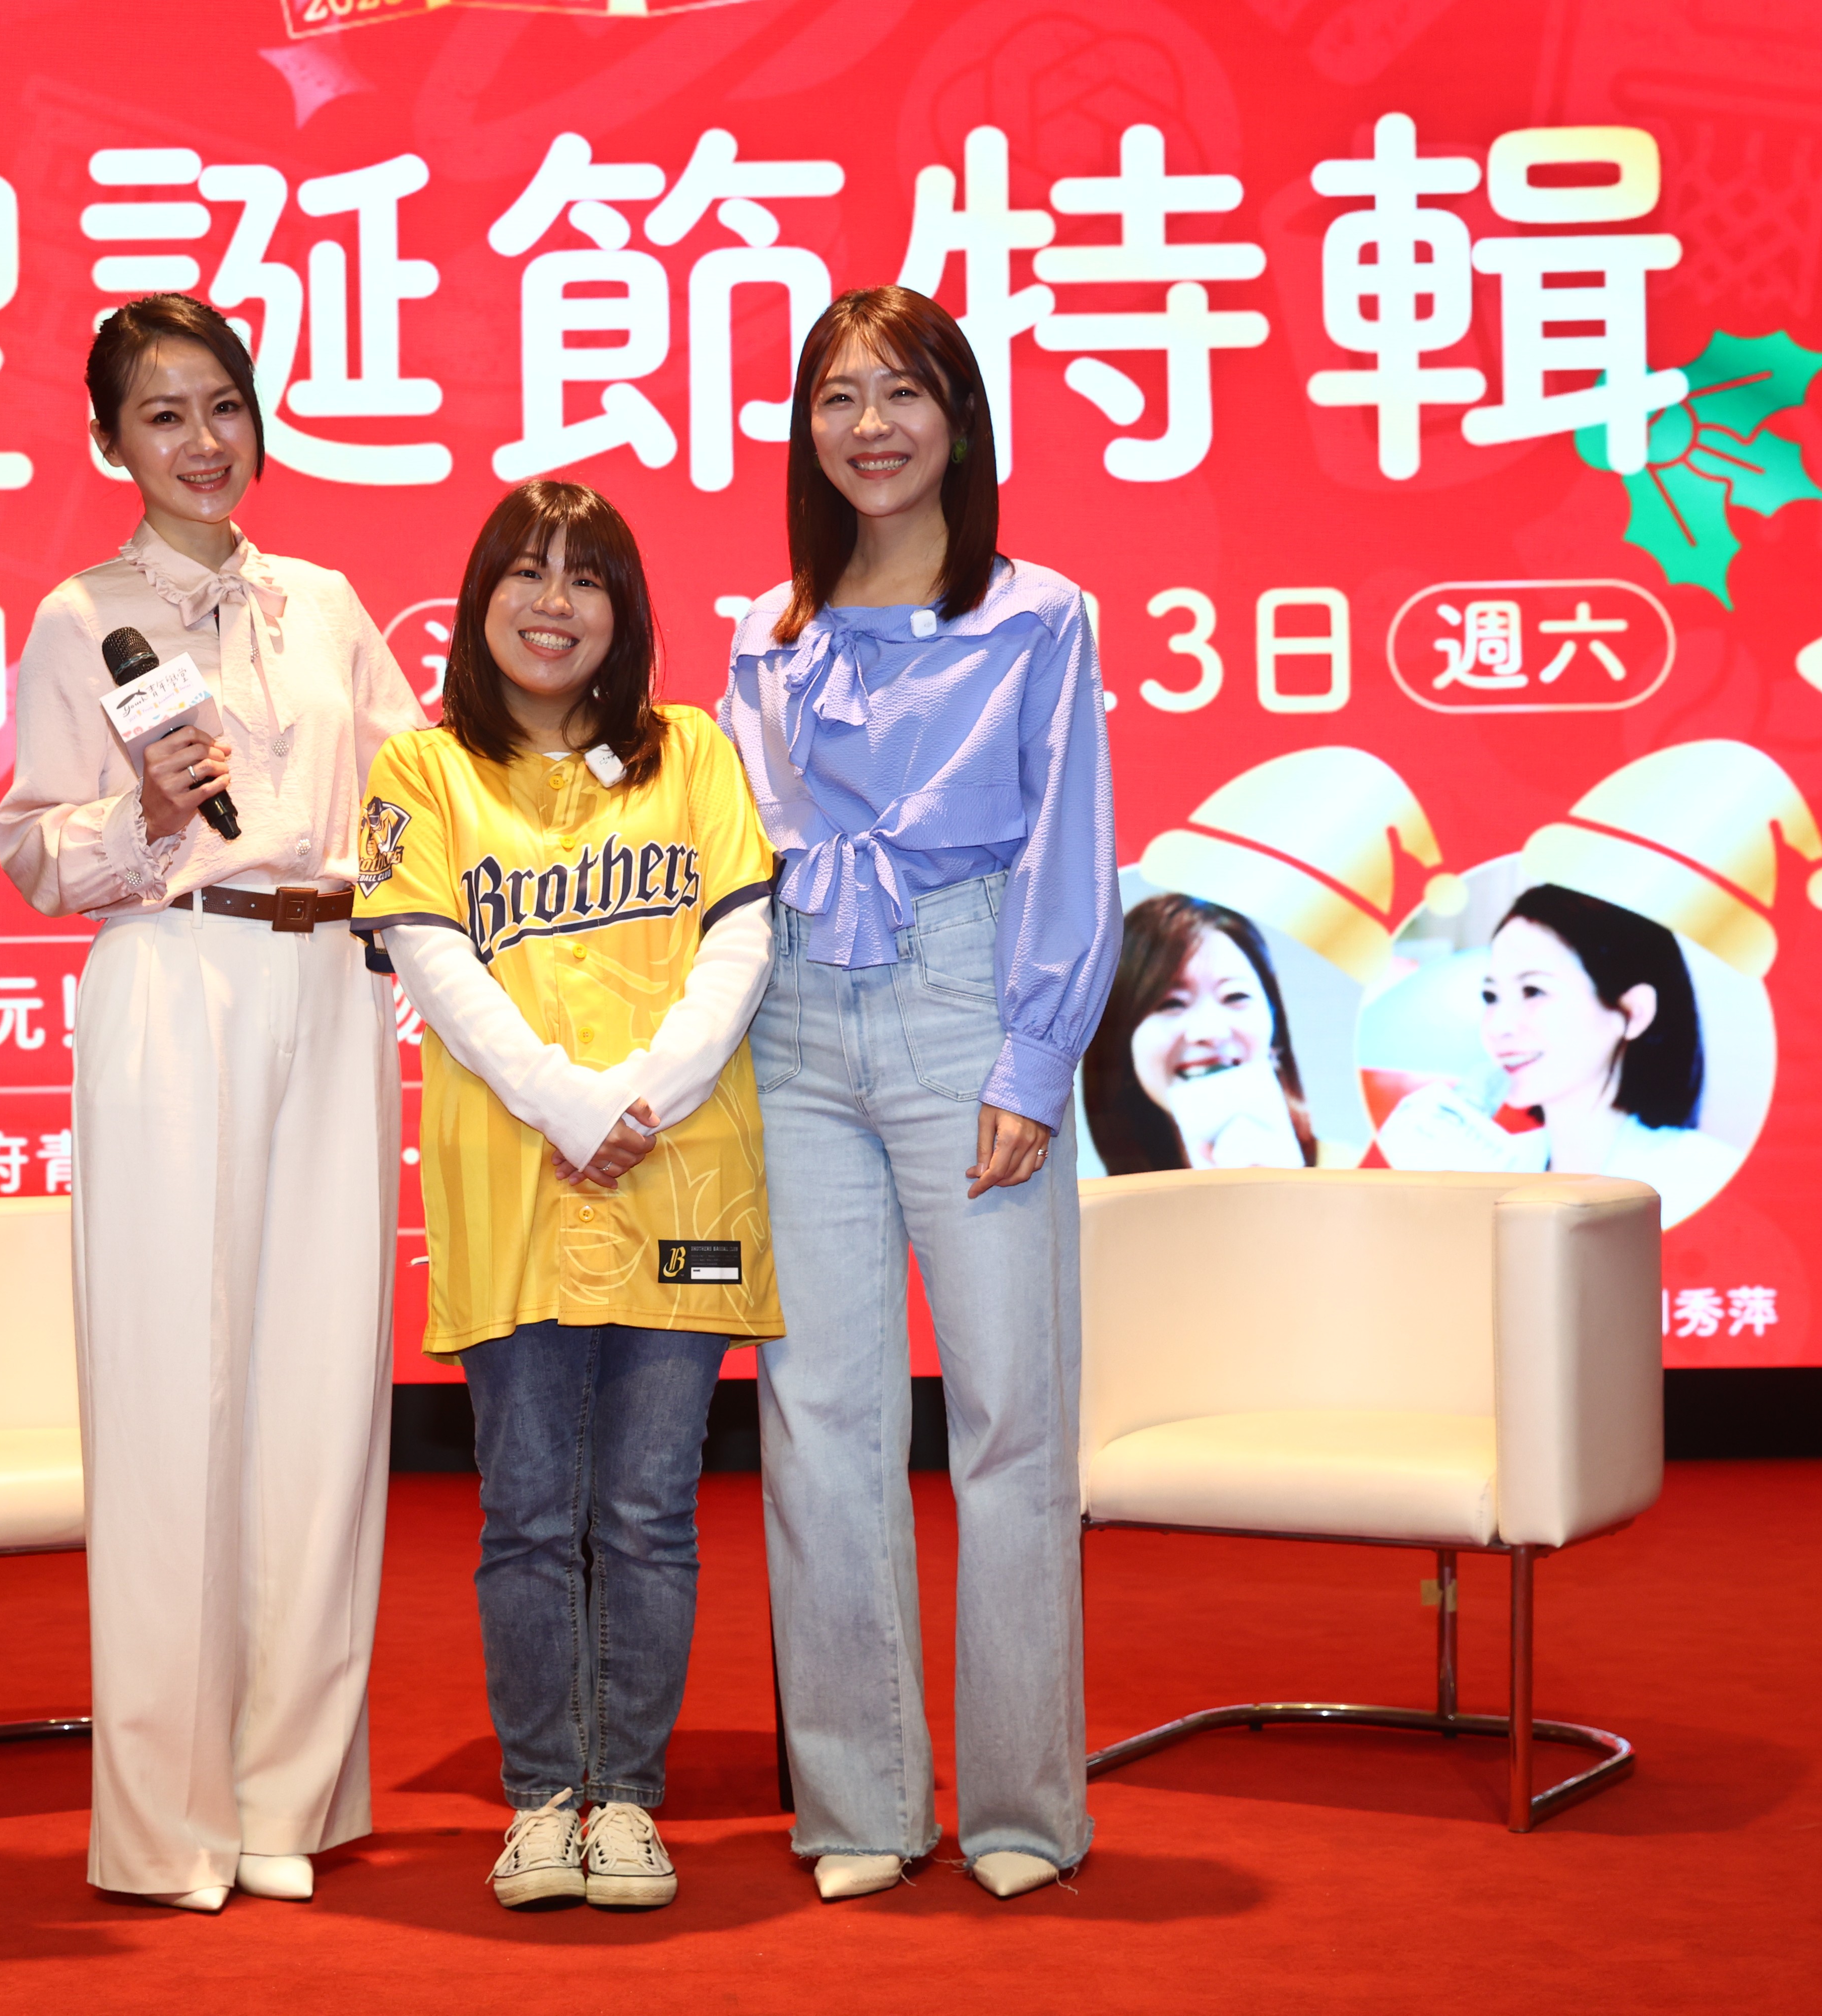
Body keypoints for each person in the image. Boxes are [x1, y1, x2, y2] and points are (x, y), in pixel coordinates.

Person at [0, 293, 425, 1913]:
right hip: (173, 980)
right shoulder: (80, 617)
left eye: (223, 404)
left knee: (324, 1388)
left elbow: (412, 796)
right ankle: (169, 1820)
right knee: (174, 1394)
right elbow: (33, 848)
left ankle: (285, 1795)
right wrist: (140, 811)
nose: (202, 440)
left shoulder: (325, 604)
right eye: (162, 414)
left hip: (331, 986)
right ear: (110, 438)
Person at [716, 286, 1118, 1903]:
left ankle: (1022, 1809)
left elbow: (1070, 843)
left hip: (968, 1003)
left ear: (958, 419)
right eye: (836, 397)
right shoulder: (768, 632)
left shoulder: (1037, 613)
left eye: (901, 393)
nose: (868, 426)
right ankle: (860, 1804)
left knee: (1010, 1417)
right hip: (793, 1022)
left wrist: (1034, 1054)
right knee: (817, 1422)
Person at [354, 480, 782, 1913]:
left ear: (626, 610)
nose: (553, 605)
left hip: (680, 1174)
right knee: (530, 1510)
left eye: (585, 578)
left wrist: (636, 1099)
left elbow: (740, 942)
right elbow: (434, 964)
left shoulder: (695, 750)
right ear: (479, 602)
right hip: (517, 1178)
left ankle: (630, 1801)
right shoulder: (421, 771)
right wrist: (567, 1102)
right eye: (525, 575)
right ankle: (544, 1798)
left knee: (651, 1509)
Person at [1375, 882, 1738, 1226]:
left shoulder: (1705, 1179)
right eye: (1491, 996)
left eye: (1533, 991)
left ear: (1633, 1012)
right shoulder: (1487, 1167)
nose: (1499, 1026)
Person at [1085, 894, 1317, 1174]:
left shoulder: (1351, 1180)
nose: (1210, 1031)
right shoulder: (1096, 1200)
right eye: (1171, 1004)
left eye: (1235, 996)